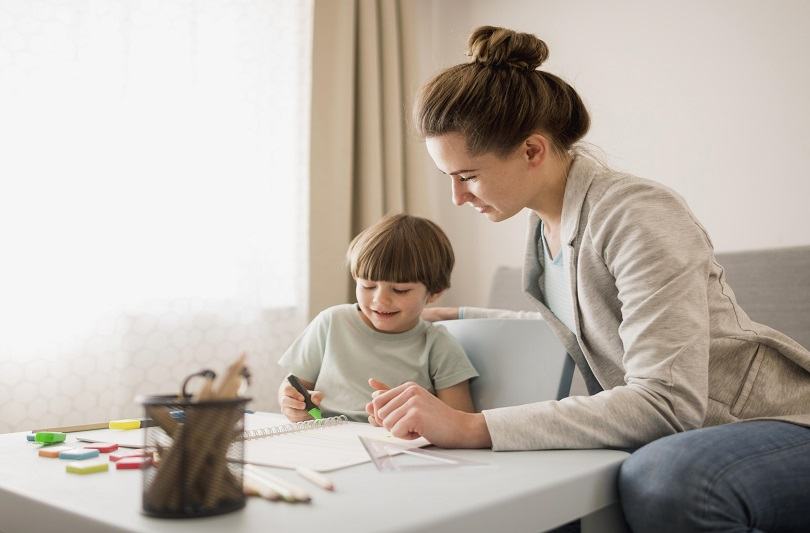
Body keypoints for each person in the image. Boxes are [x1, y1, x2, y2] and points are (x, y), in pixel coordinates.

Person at [365, 26, 810, 532]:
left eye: (467, 175)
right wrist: (458, 316)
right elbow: (599, 323)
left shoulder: (637, 214)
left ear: (533, 150)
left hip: (773, 424)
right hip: (693, 428)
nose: (457, 199)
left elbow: (667, 401)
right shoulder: (542, 226)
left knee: (669, 476)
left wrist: (472, 427)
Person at [277, 213, 478, 424]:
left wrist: (408, 420)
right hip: (325, 437)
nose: (380, 300)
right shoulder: (331, 322)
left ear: (434, 293)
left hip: (394, 446)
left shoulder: (438, 345)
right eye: (368, 286)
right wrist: (293, 404)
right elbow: (293, 386)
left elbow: (461, 421)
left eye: (400, 290)